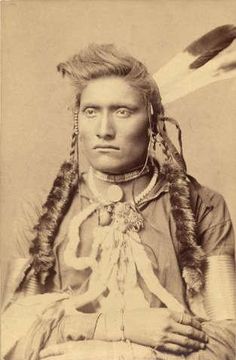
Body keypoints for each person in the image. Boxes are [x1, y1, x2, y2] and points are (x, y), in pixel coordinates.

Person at [2, 42, 235, 360]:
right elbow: (12, 336)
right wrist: (114, 327)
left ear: (152, 122)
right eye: (91, 111)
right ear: (77, 122)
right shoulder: (42, 210)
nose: (104, 130)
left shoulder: (202, 206)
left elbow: (230, 338)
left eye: (123, 112)